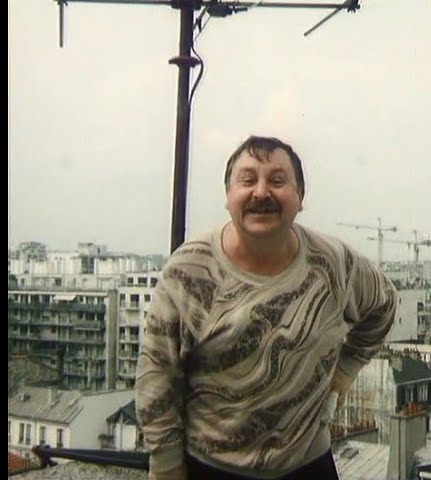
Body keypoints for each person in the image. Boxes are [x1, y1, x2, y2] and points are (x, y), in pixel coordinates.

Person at [135, 135, 398, 480]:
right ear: (228, 196)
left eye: (277, 180)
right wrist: (166, 467)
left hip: (307, 464)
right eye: (248, 180)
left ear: (300, 197)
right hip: (212, 467)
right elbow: (158, 374)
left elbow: (384, 304)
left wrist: (346, 369)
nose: (261, 192)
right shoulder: (190, 269)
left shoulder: (334, 263)